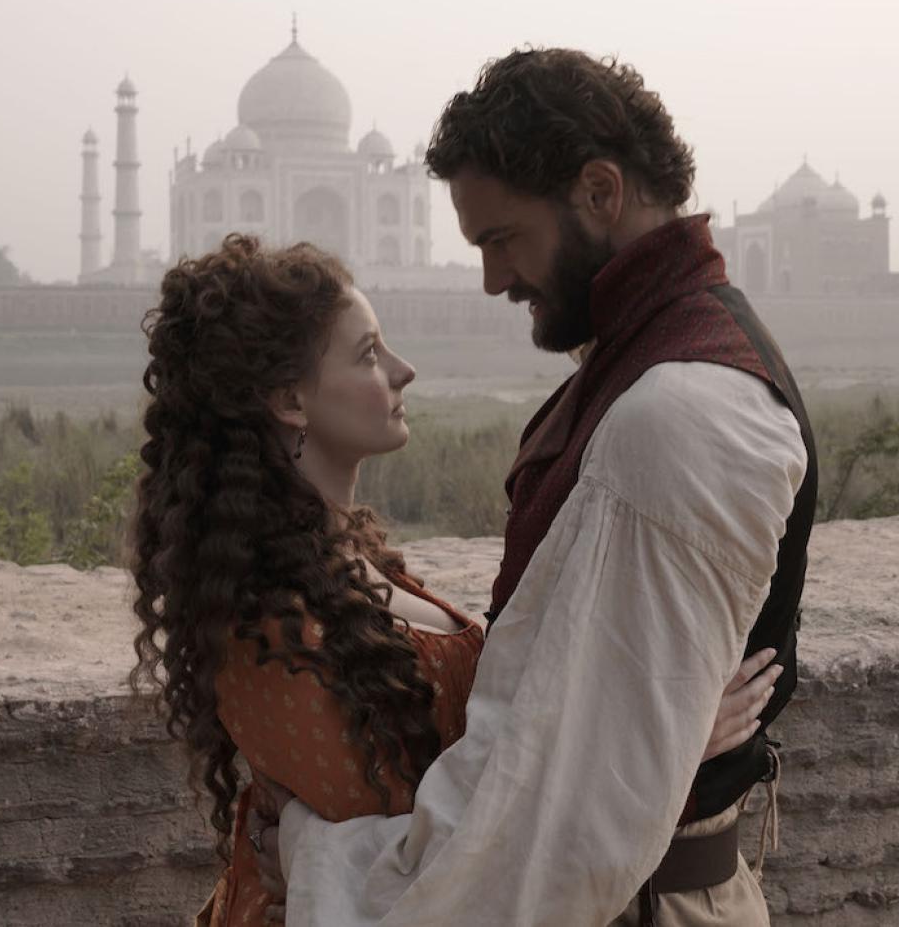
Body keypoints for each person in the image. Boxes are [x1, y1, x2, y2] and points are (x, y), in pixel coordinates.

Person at [264, 48, 818, 926]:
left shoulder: (678, 406)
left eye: (502, 238)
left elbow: (560, 823)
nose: (491, 279)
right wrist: (653, 737)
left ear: (600, 193)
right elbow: (585, 731)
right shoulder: (654, 363)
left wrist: (316, 855)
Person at [128, 234, 786, 926]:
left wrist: (646, 725)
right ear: (291, 399)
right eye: (369, 355)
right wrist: (659, 741)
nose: (403, 370)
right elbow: (442, 861)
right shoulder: (269, 625)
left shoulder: (346, 562)